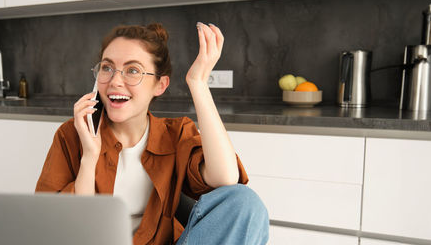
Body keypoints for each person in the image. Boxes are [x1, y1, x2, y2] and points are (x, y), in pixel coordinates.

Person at [36, 22, 269, 245]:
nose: (116, 81)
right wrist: (89, 156)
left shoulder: (175, 134)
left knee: (246, 202)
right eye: (107, 68)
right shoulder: (72, 134)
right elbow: (62, 228)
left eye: (133, 70)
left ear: (160, 84)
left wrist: (198, 83)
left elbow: (225, 178)